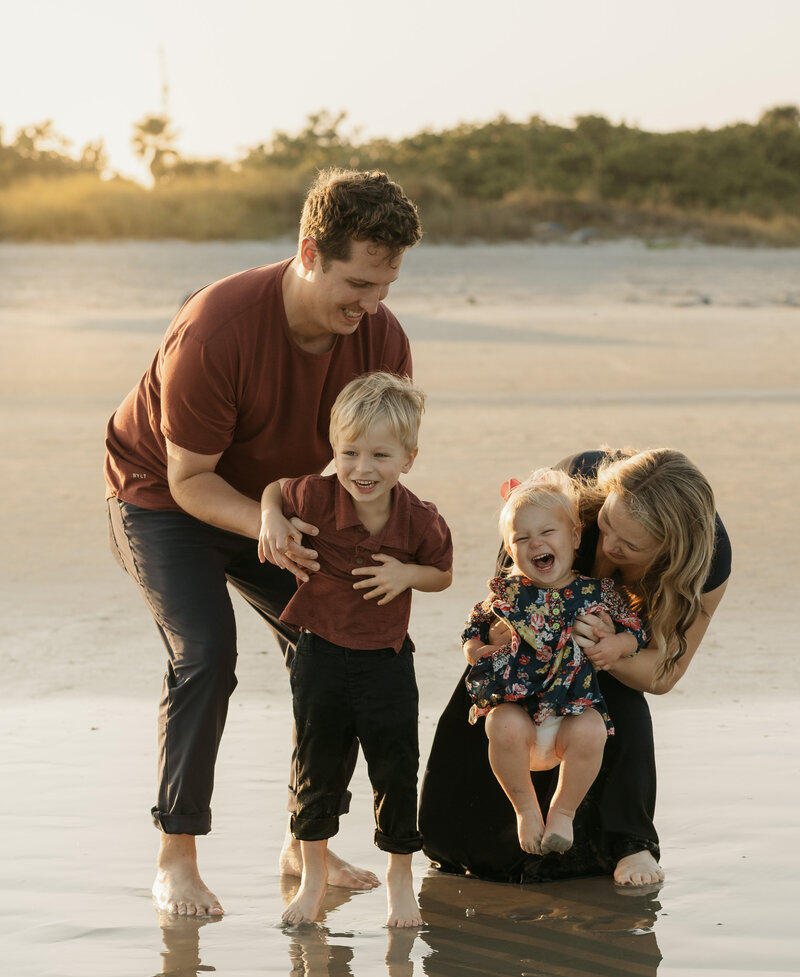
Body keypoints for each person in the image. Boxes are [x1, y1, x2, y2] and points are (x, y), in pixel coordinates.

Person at [104, 168, 422, 918]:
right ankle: (175, 857)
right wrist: (266, 524)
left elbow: (370, 462)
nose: (371, 305)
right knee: (206, 655)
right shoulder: (218, 327)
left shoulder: (379, 337)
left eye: (385, 285)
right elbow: (190, 481)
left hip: (284, 499)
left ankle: (303, 840)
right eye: (356, 283)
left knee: (349, 644)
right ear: (309, 251)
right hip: (164, 496)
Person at [420, 448, 731, 889]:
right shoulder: (559, 497)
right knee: (498, 709)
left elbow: (662, 673)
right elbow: (503, 602)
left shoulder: (707, 560)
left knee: (604, 701)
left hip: (601, 656)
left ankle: (628, 839)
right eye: (604, 527)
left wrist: (611, 647)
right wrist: (491, 639)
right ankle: (504, 828)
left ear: (669, 550)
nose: (608, 547)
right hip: (527, 645)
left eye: (630, 546)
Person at [258, 372, 453, 927]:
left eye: (380, 455)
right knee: (316, 768)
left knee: (395, 768)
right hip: (318, 657)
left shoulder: (420, 518)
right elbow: (275, 489)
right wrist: (271, 518)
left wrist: (406, 573)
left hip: (387, 663)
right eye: (348, 452)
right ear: (333, 451)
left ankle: (399, 878)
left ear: (408, 458)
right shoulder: (315, 496)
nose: (362, 468)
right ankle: (313, 876)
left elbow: (442, 574)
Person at [462, 468, 647, 858]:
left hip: (572, 713)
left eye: (547, 533)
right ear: (510, 551)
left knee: (593, 730)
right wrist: (475, 649)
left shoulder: (597, 592)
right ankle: (526, 809)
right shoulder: (508, 593)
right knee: (500, 722)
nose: (536, 544)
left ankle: (562, 812)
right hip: (520, 715)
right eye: (522, 538)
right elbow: (474, 625)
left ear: (575, 537)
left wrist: (615, 644)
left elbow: (637, 630)